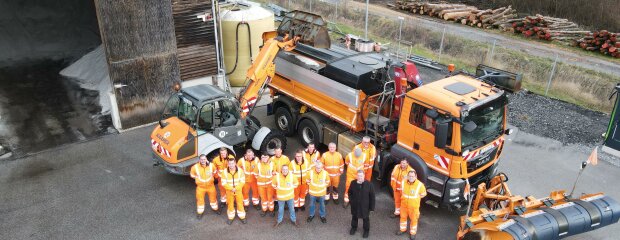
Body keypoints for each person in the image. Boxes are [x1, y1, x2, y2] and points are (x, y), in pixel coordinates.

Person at [396, 170, 427, 240]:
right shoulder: (403, 182)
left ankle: (412, 233)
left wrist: (415, 200)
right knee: (403, 218)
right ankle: (402, 229)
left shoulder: (420, 185)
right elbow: (401, 191)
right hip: (404, 205)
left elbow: (423, 194)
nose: (411, 177)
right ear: (407, 176)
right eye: (409, 176)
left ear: (416, 176)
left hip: (414, 207)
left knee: (414, 220)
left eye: (412, 176)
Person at [190, 154, 220, 219]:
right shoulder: (195, 167)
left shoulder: (211, 165)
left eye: (204, 159)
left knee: (213, 199)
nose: (203, 161)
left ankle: (215, 209)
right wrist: (196, 177)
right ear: (199, 160)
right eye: (201, 159)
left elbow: (215, 172)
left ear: (206, 159)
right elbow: (192, 175)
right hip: (200, 187)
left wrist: (217, 178)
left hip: (211, 186)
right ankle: (200, 212)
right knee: (200, 200)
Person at [348, 170, 375, 239]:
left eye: (361, 176)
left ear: (364, 176)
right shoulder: (353, 183)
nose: (360, 177)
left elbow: (372, 197)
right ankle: (354, 228)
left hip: (365, 206)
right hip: (355, 205)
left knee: (366, 219)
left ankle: (366, 230)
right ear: (356, 176)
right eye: (358, 176)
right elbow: (350, 192)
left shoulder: (369, 185)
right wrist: (351, 201)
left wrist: (372, 208)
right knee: (354, 217)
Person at [221, 159, 246, 225]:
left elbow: (242, 181)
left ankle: (242, 217)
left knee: (240, 203)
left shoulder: (240, 171)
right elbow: (223, 183)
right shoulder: (224, 172)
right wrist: (231, 188)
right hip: (229, 191)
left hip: (238, 191)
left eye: (232, 163)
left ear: (235, 163)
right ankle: (231, 217)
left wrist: (236, 188)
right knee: (230, 204)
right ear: (228, 164)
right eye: (230, 164)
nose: (231, 165)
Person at [254, 152, 276, 217]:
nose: (264, 158)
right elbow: (255, 174)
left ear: (268, 157)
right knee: (263, 198)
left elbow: (274, 173)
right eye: (263, 157)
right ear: (261, 158)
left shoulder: (272, 164)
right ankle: (264, 210)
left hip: (270, 185)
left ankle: (271, 210)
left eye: (265, 157)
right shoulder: (258, 165)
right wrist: (260, 179)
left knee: (270, 198)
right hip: (261, 185)